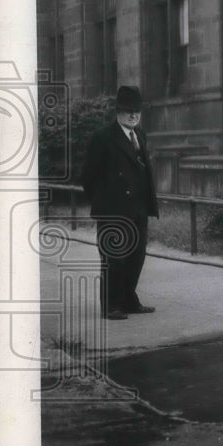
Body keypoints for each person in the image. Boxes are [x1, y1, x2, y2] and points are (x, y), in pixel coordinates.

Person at [80, 85, 159, 320]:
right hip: (113, 211)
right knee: (114, 259)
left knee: (136, 258)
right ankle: (111, 305)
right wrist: (105, 204)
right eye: (128, 111)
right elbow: (88, 177)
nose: (133, 115)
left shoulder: (140, 135)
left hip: (138, 209)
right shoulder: (103, 138)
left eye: (137, 110)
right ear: (117, 112)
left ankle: (128, 300)